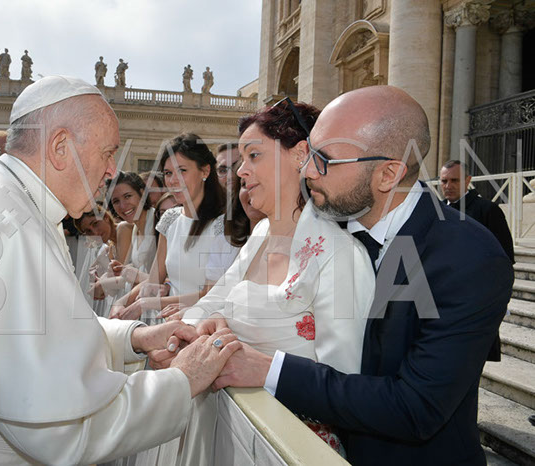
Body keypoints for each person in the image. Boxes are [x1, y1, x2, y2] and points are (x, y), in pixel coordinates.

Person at [0, 75, 242, 465]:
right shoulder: (13, 225)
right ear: (60, 147)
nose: (112, 170)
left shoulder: (6, 199)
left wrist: (136, 336)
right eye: (108, 153)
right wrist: (181, 381)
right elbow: (63, 426)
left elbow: (47, 336)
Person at [205, 85, 514, 465]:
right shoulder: (326, 227)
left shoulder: (468, 257)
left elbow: (414, 407)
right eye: (309, 154)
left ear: (388, 174)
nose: (307, 170)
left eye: (324, 159)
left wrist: (270, 370)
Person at [151, 100, 374, 463]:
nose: (241, 171)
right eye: (241, 160)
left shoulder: (340, 254)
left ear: (299, 155)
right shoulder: (260, 234)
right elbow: (215, 301)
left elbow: (342, 381)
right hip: (227, 430)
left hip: (285, 444)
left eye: (253, 156)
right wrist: (187, 332)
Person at [110, 133, 239, 322]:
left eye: (182, 171)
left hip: (204, 325)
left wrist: (147, 304)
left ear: (205, 171)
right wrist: (121, 302)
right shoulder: (169, 219)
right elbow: (154, 280)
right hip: (168, 323)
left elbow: (211, 294)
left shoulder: (224, 223)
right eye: (168, 173)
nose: (173, 180)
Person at [440, 159, 514, 362]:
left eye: (455, 180)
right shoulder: (435, 211)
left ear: (467, 180)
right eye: (444, 181)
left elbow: (504, 262)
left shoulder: (488, 210)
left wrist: (495, 302)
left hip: (476, 303)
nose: (448, 186)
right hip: (442, 303)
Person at [74, 205, 118, 318]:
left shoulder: (124, 229)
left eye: (95, 224)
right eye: (88, 231)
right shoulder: (107, 248)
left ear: (106, 217)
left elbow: (119, 275)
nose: (95, 232)